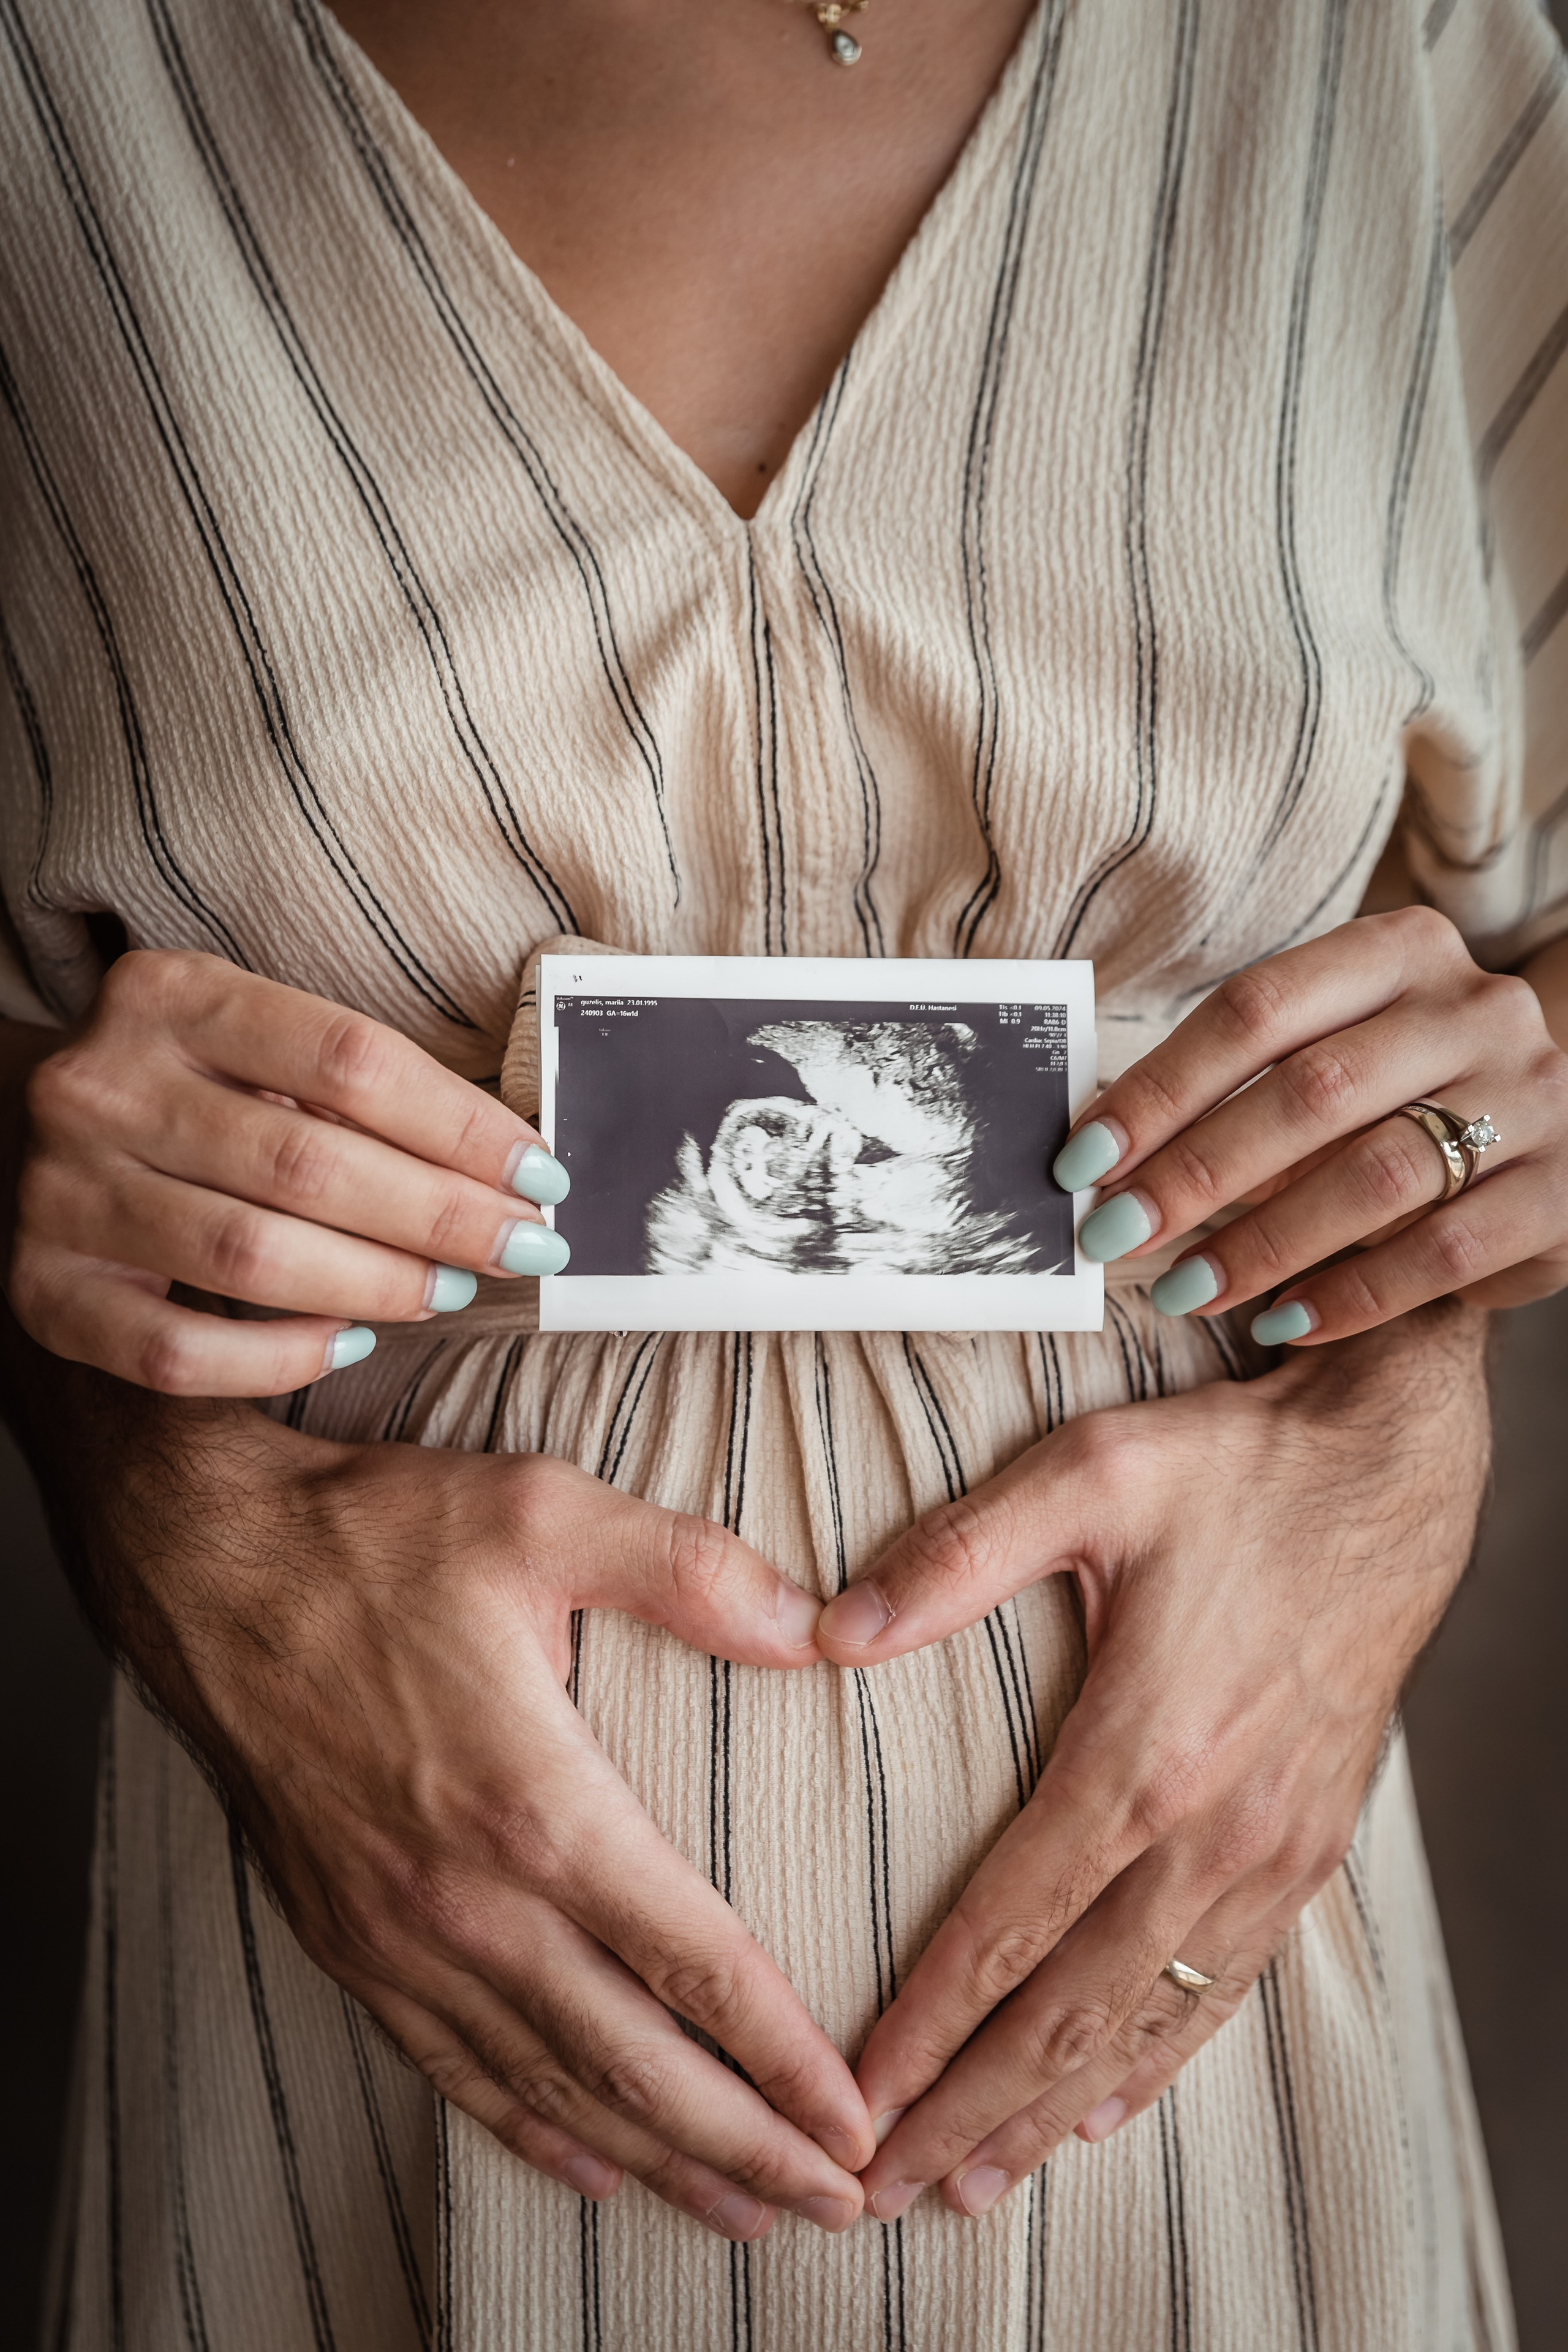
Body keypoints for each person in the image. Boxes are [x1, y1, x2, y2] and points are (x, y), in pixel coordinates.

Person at [3, 0, 1566, 2343]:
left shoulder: (1388, 48)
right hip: (360, 2005)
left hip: (1206, 1979)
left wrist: (1400, 1410)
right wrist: (172, 1514)